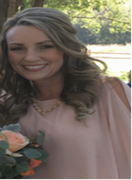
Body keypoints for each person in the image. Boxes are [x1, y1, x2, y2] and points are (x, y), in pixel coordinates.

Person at [0, 7, 132, 180]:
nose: (30, 57)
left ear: (66, 47)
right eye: (18, 48)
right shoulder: (8, 102)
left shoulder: (108, 92)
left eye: (45, 46)